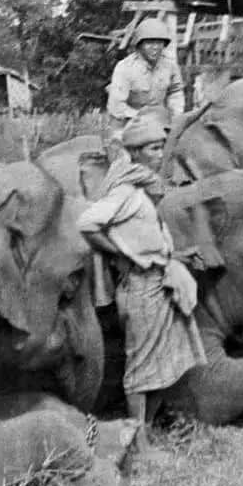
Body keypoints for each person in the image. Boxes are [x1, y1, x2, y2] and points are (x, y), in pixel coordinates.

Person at [77, 113, 206, 447]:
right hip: (141, 288)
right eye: (151, 147)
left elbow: (141, 236)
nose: (158, 153)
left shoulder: (140, 186)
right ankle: (140, 444)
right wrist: (121, 256)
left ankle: (145, 428)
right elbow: (88, 223)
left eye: (161, 146)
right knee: (142, 367)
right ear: (134, 152)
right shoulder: (124, 192)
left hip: (158, 281)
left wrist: (173, 256)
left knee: (164, 360)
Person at [106, 18, 185, 142]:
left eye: (159, 43)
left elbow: (175, 91)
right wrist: (143, 118)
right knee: (122, 156)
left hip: (159, 124)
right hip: (126, 124)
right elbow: (116, 107)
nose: (155, 48)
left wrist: (175, 114)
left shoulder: (170, 66)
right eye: (149, 43)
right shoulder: (125, 68)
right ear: (139, 45)